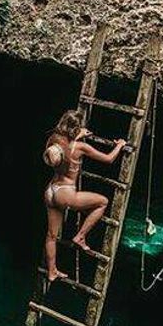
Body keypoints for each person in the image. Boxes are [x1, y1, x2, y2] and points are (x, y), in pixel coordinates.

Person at [42, 110, 129, 281]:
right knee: (103, 202)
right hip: (66, 192)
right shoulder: (80, 147)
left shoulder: (53, 139)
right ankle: (80, 236)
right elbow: (108, 159)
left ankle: (52, 271)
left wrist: (76, 136)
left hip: (51, 190)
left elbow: (62, 150)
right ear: (76, 128)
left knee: (51, 236)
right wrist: (120, 145)